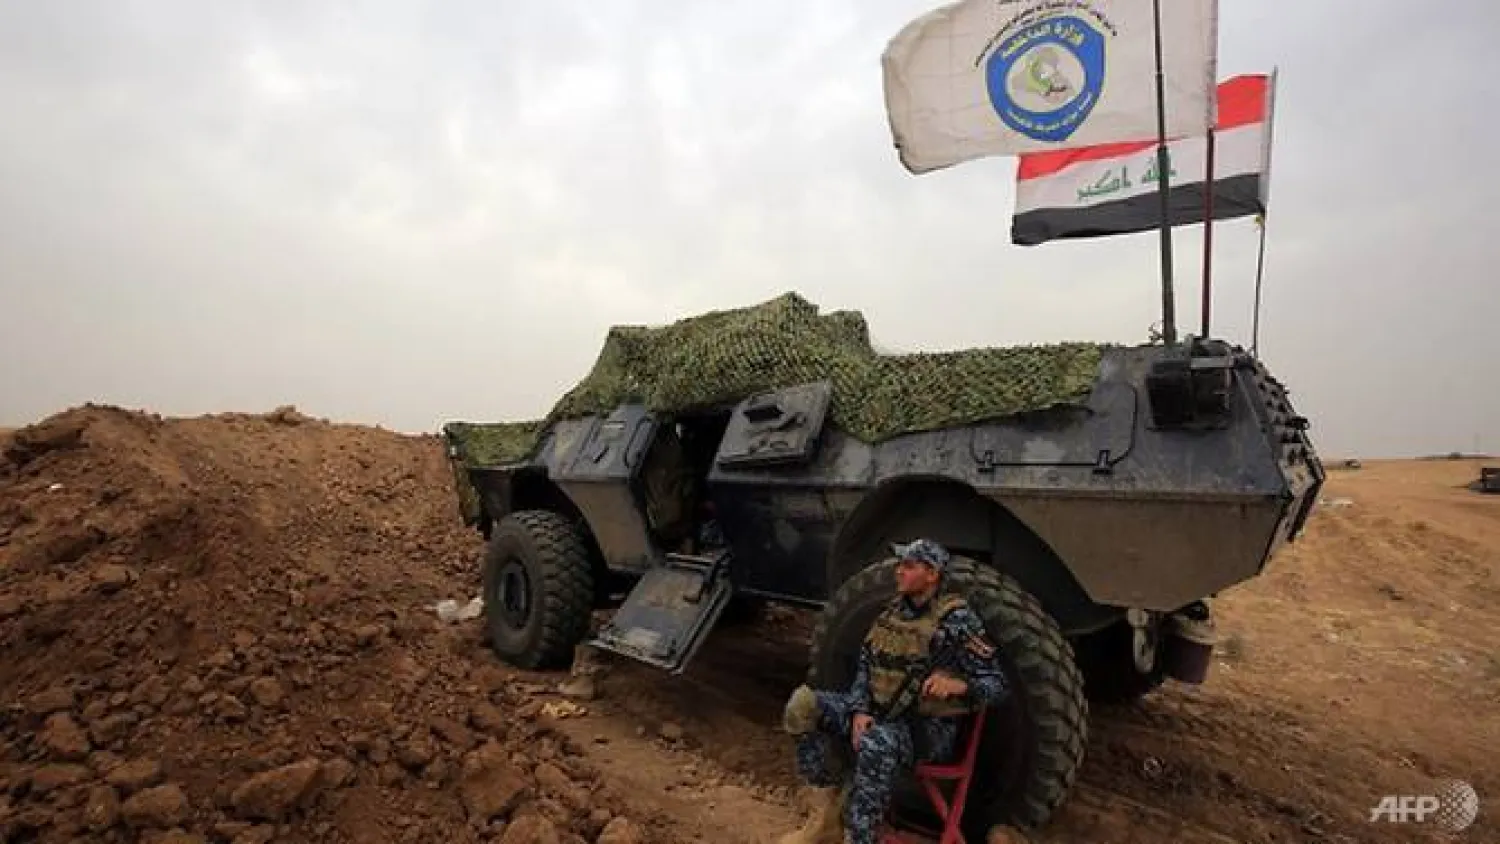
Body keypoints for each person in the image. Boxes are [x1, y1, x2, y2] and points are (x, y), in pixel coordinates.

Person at [777, 538, 1009, 844]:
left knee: (875, 743)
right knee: (803, 705)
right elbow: (865, 667)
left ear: (932, 574)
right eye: (900, 565)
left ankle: (860, 837)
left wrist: (958, 684)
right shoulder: (891, 613)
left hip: (924, 731)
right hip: (877, 713)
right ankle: (827, 816)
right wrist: (859, 709)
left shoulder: (956, 621)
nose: (898, 572)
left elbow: (997, 685)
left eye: (908, 566)